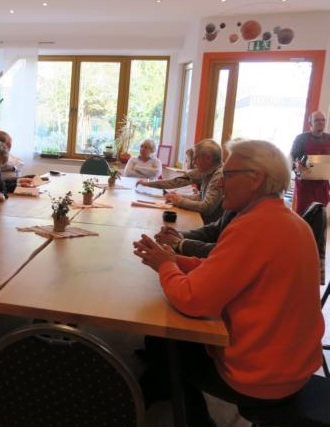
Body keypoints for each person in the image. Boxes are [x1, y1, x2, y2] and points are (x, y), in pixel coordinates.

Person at [133, 139, 324, 427]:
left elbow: (192, 300)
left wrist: (165, 266)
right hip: (295, 366)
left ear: (255, 179)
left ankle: (192, 418)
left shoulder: (253, 227)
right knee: (169, 342)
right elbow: (222, 271)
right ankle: (158, 391)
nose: (220, 184)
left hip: (263, 378)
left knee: (166, 345)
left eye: (229, 175)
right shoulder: (286, 220)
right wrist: (174, 259)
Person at [137, 139, 224, 224]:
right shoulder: (206, 170)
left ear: (208, 158)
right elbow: (176, 182)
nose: (194, 163)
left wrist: (180, 201)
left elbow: (207, 207)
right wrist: (177, 197)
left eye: (196, 158)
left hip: (210, 229)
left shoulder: (219, 175)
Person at [290, 110, 330, 215]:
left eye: (323, 120)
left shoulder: (329, 138)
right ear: (310, 123)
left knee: (319, 215)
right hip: (305, 185)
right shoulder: (301, 139)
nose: (321, 122)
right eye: (317, 120)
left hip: (322, 185)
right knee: (303, 214)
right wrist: (297, 165)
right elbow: (292, 159)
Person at [154, 210, 237, 258]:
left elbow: (227, 252)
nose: (219, 183)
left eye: (229, 178)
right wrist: (179, 235)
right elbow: (215, 229)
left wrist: (178, 243)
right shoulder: (239, 204)